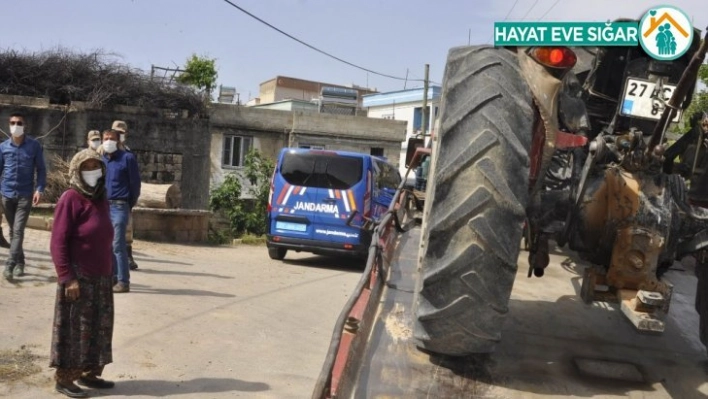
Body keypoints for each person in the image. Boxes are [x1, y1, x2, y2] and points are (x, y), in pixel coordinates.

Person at [50, 149, 115, 398]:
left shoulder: (101, 197)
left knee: (99, 327)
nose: (91, 172)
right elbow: (58, 242)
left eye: (95, 166)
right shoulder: (70, 198)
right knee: (75, 330)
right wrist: (67, 277)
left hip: (102, 276)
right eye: (86, 167)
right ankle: (65, 379)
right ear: (77, 171)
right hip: (78, 277)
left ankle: (90, 373)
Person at [0, 112, 47, 280]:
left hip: (25, 195)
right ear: (9, 125)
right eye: (13, 122)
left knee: (18, 230)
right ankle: (21, 262)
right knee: (13, 232)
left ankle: (10, 264)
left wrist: (39, 189)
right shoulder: (3, 147)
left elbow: (41, 169)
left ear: (24, 125)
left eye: (19, 122)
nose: (16, 125)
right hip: (7, 195)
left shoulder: (34, 146)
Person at [101, 129, 141, 293]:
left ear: (118, 141)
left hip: (120, 206)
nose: (108, 141)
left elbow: (135, 185)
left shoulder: (127, 158)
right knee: (107, 245)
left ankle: (124, 281)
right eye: (106, 138)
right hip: (104, 206)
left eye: (111, 138)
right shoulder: (102, 160)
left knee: (118, 245)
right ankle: (114, 277)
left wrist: (128, 204)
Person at [111, 120, 139, 271]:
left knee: (127, 229)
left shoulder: (128, 153)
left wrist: (131, 200)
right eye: (117, 132)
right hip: (107, 197)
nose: (119, 135)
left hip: (124, 199)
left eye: (122, 133)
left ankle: (128, 257)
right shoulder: (105, 151)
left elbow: (134, 180)